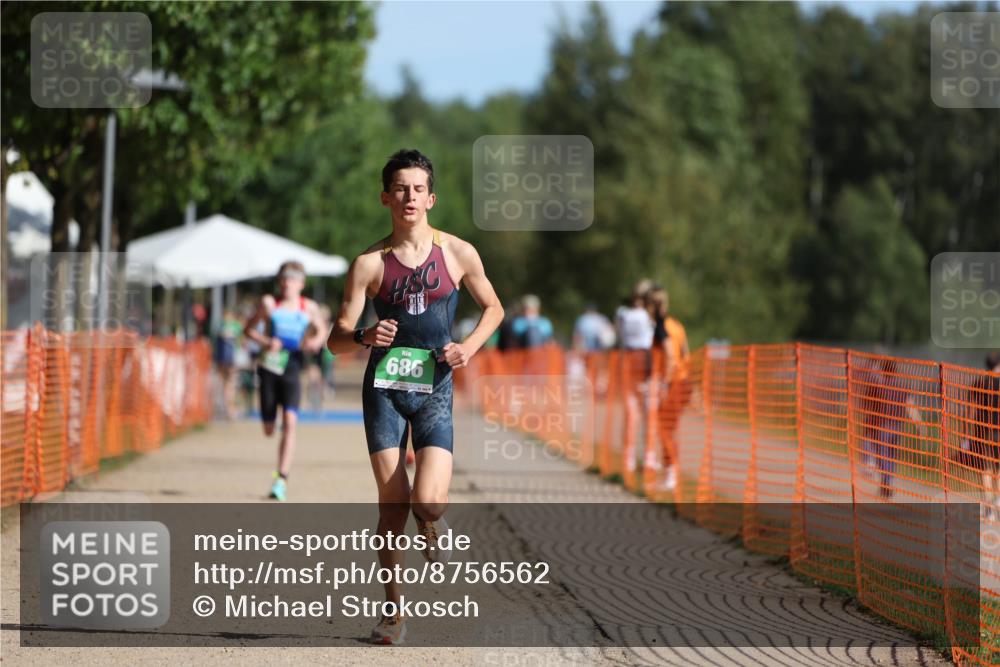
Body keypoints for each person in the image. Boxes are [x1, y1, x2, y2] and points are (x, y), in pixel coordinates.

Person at [326, 149, 503, 645]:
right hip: (384, 389)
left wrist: (467, 347)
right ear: (385, 197)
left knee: (428, 501)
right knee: (392, 506)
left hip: (435, 387)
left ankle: (431, 521)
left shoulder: (458, 253)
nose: (409, 197)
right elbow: (335, 337)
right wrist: (363, 336)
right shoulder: (368, 264)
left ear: (431, 198)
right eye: (399, 188)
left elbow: (494, 309)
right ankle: (393, 613)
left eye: (417, 189)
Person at [243, 261, 327, 502]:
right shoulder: (270, 304)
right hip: (269, 366)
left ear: (301, 283)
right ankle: (272, 422)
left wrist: (315, 342)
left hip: (292, 366)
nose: (287, 282)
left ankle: (281, 479)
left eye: (292, 278)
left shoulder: (308, 307)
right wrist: (265, 342)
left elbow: (322, 331)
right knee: (269, 429)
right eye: (284, 278)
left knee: (290, 422)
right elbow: (248, 329)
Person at [858, 357, 927, 499]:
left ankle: (886, 484)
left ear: (883, 370)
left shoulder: (877, 386)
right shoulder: (901, 386)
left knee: (882, 457)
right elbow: (910, 406)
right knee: (891, 457)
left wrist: (866, 418)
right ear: (895, 371)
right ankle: (887, 483)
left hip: (881, 426)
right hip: (896, 427)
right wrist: (919, 424)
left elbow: (866, 405)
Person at [213, 310, 244, 420]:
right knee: (230, 385)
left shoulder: (220, 326)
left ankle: (224, 408)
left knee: (222, 384)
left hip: (222, 360)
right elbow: (241, 342)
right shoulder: (236, 326)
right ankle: (229, 410)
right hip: (231, 360)